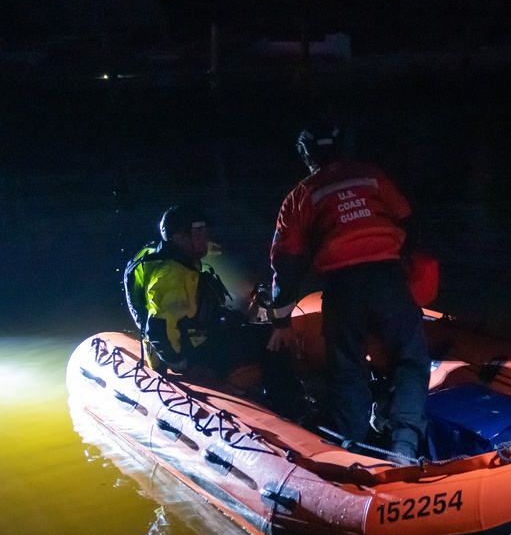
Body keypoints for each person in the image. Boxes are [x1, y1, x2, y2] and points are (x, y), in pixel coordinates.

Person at [267, 123, 431, 464]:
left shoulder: (302, 195)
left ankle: (356, 452)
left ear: (307, 156)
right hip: (389, 280)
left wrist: (280, 318)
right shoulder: (372, 177)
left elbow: (287, 260)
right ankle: (404, 447)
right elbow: (408, 223)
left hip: (343, 287)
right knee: (411, 361)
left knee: (346, 368)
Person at [124, 205, 299, 414]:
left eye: (204, 229)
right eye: (197, 231)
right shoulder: (170, 276)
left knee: (247, 326)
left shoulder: (174, 260)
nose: (204, 235)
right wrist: (186, 368)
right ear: (178, 236)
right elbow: (159, 330)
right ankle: (288, 411)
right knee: (272, 342)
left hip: (197, 342)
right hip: (193, 354)